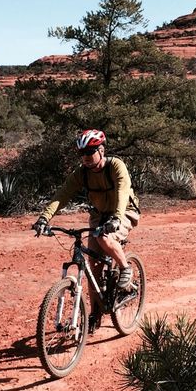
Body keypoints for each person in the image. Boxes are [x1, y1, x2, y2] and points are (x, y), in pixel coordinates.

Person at [32, 129, 140, 332]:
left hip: (124, 211)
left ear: (101, 150)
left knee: (104, 238)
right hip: (100, 215)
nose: (86, 158)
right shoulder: (82, 173)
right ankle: (95, 314)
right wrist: (44, 218)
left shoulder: (115, 166)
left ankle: (125, 267)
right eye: (82, 154)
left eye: (90, 152)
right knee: (93, 266)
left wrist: (117, 218)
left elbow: (123, 192)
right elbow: (62, 195)